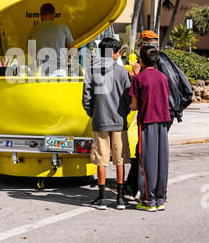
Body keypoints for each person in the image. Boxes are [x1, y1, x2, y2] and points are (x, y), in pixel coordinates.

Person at [124, 29, 193, 200]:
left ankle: (138, 192)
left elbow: (143, 88)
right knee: (156, 152)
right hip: (167, 112)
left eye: (140, 44)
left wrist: (134, 75)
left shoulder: (152, 61)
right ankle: (156, 191)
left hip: (154, 112)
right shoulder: (164, 58)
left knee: (144, 152)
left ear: (144, 45)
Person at [82, 37, 131, 210]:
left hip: (100, 121)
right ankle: (119, 198)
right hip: (119, 121)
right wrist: (125, 112)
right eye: (117, 53)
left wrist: (94, 113)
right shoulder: (123, 72)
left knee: (101, 160)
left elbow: (86, 98)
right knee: (120, 160)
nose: (118, 56)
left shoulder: (91, 70)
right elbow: (128, 97)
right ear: (112, 52)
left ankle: (102, 198)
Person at [129, 45, 171, 211]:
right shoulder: (162, 77)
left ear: (141, 60)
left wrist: (134, 75)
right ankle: (160, 198)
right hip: (163, 121)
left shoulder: (139, 79)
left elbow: (134, 105)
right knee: (161, 160)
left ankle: (148, 200)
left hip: (147, 121)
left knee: (146, 161)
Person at [28, 3, 75, 76]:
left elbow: (31, 53)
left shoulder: (33, 30)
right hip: (59, 70)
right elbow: (72, 51)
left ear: (40, 14)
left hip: (41, 71)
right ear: (54, 14)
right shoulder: (63, 28)